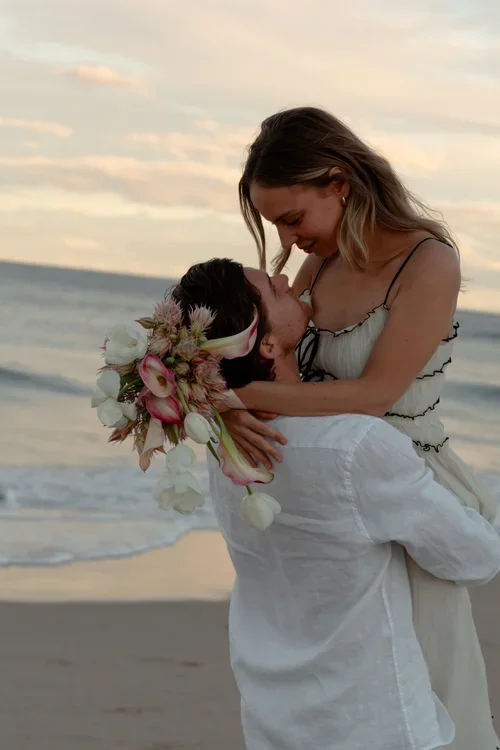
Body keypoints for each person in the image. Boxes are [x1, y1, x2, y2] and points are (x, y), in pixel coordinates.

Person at [222, 106, 499, 749]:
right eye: (273, 225)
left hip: (408, 482)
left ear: (340, 183)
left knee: (425, 679)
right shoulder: (321, 260)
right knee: (342, 678)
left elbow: (375, 395)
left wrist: (232, 396)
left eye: (293, 219)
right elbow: (282, 351)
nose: (287, 241)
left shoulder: (429, 262)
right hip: (330, 482)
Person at [172, 258, 500, 750]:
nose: (286, 278)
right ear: (265, 344)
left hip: (272, 710)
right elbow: (476, 558)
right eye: (272, 288)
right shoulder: (354, 445)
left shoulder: (223, 446)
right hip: (371, 721)